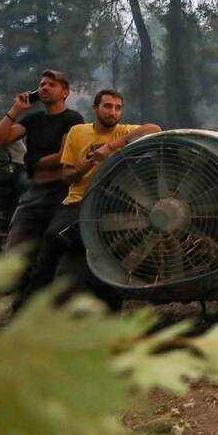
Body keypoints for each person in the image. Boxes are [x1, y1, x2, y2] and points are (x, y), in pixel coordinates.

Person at [24, 89, 160, 300]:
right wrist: (89, 162)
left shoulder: (125, 131)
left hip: (113, 203)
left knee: (116, 253)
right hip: (79, 200)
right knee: (52, 240)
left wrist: (111, 147)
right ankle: (29, 303)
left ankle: (110, 307)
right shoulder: (78, 132)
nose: (112, 112)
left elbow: (154, 129)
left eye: (118, 108)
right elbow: (67, 177)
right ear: (95, 108)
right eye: (107, 106)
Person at [0, 70, 84, 252]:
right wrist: (16, 109)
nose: (44, 88)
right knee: (14, 248)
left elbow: (64, 155)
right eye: (42, 85)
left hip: (60, 193)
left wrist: (34, 163)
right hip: (33, 191)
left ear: (65, 92)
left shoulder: (73, 119)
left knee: (52, 247)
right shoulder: (33, 119)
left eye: (51, 84)